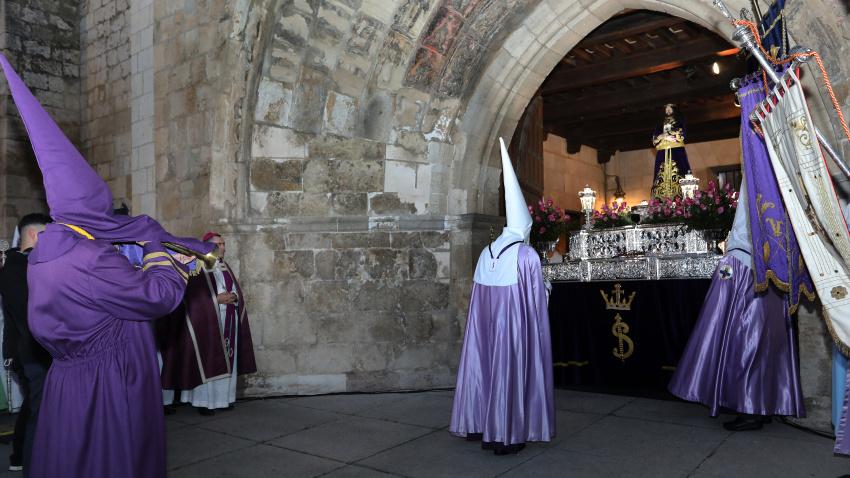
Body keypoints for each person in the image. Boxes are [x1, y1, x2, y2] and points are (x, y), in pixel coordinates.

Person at [0, 54, 214, 478]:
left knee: (71, 457)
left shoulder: (44, 255)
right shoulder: (88, 256)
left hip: (68, 379)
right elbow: (156, 297)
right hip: (109, 381)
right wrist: (157, 251)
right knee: (111, 458)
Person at [668, 78, 809, 431]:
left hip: (755, 263)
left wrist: (733, 257)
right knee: (740, 337)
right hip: (747, 257)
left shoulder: (767, 171)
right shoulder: (758, 171)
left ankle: (754, 406)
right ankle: (747, 400)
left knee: (753, 336)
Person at [449, 138, 555, 455]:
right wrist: (548, 289)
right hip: (514, 333)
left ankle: (478, 423)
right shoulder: (526, 255)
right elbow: (535, 305)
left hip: (485, 329)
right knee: (510, 370)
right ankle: (506, 432)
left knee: (483, 365)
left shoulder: (487, 251)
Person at [161, 232, 256, 415]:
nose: (222, 247)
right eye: (218, 244)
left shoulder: (225, 267)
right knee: (206, 359)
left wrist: (234, 297)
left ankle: (224, 399)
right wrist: (216, 299)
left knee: (229, 360)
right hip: (207, 322)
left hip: (227, 318)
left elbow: (236, 291)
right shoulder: (198, 267)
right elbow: (193, 299)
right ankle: (203, 401)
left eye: (223, 244)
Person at [0, 213, 53, 474]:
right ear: (34, 235)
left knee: (39, 411)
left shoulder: (27, 264)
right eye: (49, 234)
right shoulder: (15, 269)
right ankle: (30, 466)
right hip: (32, 354)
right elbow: (28, 314)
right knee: (37, 414)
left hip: (38, 351)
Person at [651, 103, 691, 199]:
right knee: (660, 175)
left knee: (680, 171)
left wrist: (667, 135)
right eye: (666, 109)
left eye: (670, 108)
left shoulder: (679, 121)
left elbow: (682, 134)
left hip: (676, 151)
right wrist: (664, 136)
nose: (668, 110)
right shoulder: (660, 124)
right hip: (662, 152)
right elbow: (655, 138)